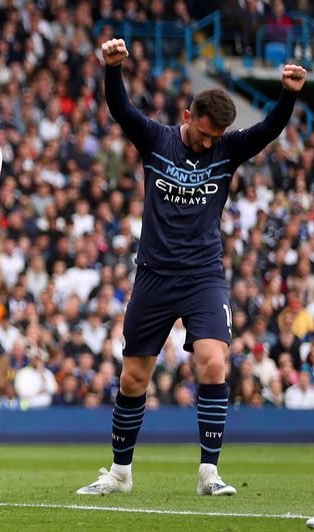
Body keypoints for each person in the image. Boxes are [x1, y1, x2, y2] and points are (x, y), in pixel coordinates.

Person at [77, 38, 306, 497]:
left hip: (203, 275)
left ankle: (209, 473)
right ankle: (120, 473)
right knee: (134, 376)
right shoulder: (156, 139)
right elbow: (121, 110)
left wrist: (289, 95)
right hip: (154, 274)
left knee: (214, 362)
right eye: (202, 134)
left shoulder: (226, 149)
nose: (206, 143)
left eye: (213, 138)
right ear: (187, 117)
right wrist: (113, 69)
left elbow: (268, 130)